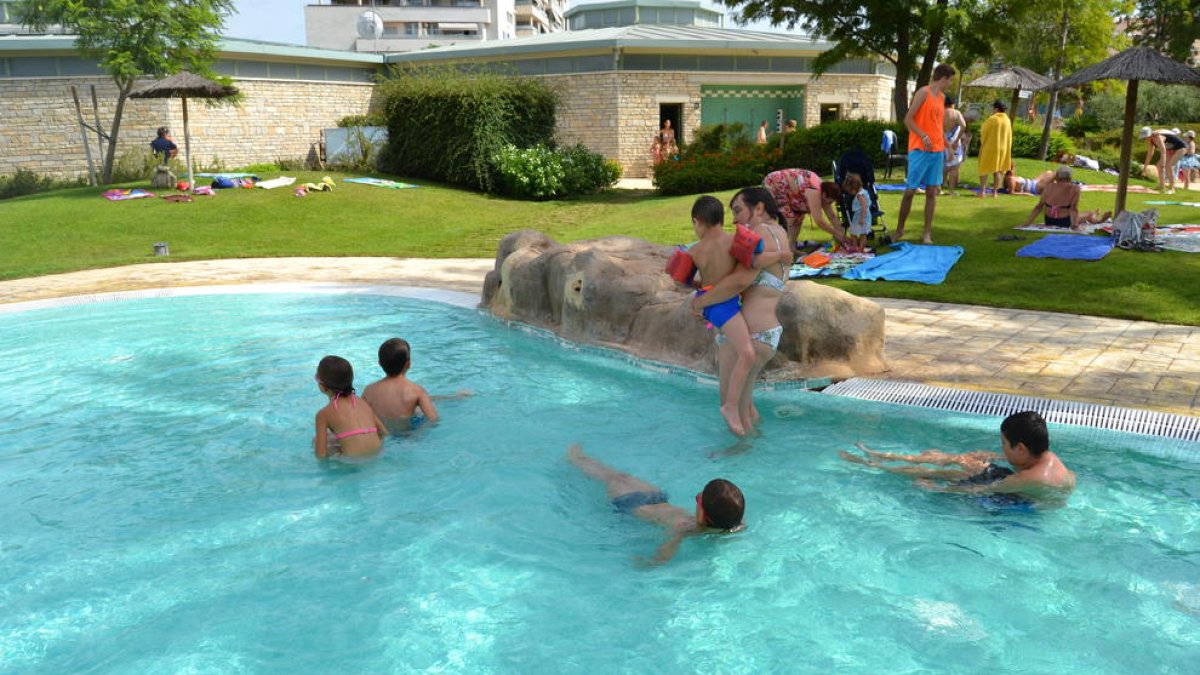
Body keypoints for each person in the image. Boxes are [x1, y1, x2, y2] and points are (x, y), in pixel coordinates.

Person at [691, 187, 790, 436]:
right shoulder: (779, 232)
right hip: (768, 331)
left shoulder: (758, 235)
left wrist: (700, 303)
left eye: (738, 211)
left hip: (752, 332)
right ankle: (754, 449)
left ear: (758, 208)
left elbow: (739, 282)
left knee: (731, 405)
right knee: (746, 407)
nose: (734, 220)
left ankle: (740, 458)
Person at [839, 410, 1076, 508]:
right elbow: (1014, 464)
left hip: (1023, 507)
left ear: (1022, 448)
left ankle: (873, 463)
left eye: (1003, 444)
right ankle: (878, 456)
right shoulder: (1046, 456)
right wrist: (992, 456)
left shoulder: (1030, 478)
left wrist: (937, 490)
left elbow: (977, 491)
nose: (1001, 449)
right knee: (966, 462)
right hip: (1024, 492)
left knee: (948, 475)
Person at [567, 444, 745, 565]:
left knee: (613, 478)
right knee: (623, 476)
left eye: (698, 498)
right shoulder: (730, 523)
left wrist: (651, 564)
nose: (696, 499)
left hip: (632, 504)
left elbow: (669, 548)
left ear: (703, 514)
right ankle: (580, 458)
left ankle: (575, 458)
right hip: (658, 498)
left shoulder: (686, 527)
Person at [683, 196, 759, 436]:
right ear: (722, 219)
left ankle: (741, 406)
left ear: (697, 221)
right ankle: (730, 406)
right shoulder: (732, 241)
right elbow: (747, 267)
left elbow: (679, 280)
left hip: (714, 307)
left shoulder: (694, 251)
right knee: (747, 354)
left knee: (737, 351)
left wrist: (700, 290)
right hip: (724, 306)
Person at [895, 63, 955, 244]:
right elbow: (908, 119)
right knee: (910, 191)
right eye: (950, 80)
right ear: (944, 78)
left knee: (932, 192)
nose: (950, 83)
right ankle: (899, 230)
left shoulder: (942, 97)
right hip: (919, 149)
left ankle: (926, 233)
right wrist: (923, 135)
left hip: (936, 151)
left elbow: (938, 126)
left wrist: (948, 146)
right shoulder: (923, 93)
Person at [362, 337, 444, 433]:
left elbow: (360, 416)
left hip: (380, 434)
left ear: (380, 363)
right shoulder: (416, 391)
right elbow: (433, 420)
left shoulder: (369, 390)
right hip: (406, 436)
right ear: (408, 364)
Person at [313, 355, 387, 459]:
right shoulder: (362, 402)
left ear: (323, 386)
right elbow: (384, 433)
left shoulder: (323, 414)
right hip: (378, 453)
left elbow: (321, 455)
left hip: (351, 461)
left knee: (316, 440)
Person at [762, 168, 846, 250]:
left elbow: (832, 216)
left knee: (798, 219)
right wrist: (836, 233)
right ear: (824, 195)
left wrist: (841, 232)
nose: (829, 204)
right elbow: (819, 221)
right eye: (829, 202)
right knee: (791, 219)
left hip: (792, 188)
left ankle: (792, 248)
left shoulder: (826, 191)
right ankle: (785, 249)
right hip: (775, 183)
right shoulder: (814, 192)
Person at [1021, 165, 1110, 230]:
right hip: (1064, 221)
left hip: (1049, 220)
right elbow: (1073, 209)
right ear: (1070, 177)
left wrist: (1027, 223)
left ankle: (1095, 215)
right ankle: (1099, 220)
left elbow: (1039, 207)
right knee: (1089, 214)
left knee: (1083, 214)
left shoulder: (1049, 186)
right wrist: (1074, 225)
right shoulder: (1074, 188)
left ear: (1057, 176)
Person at [978, 100, 1013, 199]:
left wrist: (982, 142)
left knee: (984, 169)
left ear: (996, 109)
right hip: (1003, 148)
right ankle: (995, 193)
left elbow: (983, 131)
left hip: (990, 147)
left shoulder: (992, 119)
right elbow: (1009, 135)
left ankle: (982, 192)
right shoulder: (1007, 120)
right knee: (998, 170)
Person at [1140, 126, 1188, 194]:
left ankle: (1172, 188)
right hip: (1171, 149)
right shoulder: (1151, 140)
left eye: (1146, 137)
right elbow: (1150, 154)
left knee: (1169, 166)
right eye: (1144, 138)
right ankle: (1162, 186)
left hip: (1181, 148)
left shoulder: (1157, 137)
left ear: (1149, 134)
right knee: (1158, 166)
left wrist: (1163, 164)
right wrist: (1145, 167)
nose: (1145, 139)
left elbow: (1163, 151)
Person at [941, 95, 966, 196]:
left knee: (942, 165)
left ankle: (940, 187)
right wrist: (957, 139)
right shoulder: (956, 113)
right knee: (954, 167)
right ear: (953, 104)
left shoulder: (941, 113)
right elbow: (963, 125)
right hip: (954, 142)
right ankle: (951, 191)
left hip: (942, 141)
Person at [843, 172, 872, 253]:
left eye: (849, 190)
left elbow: (864, 207)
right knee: (854, 232)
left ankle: (859, 249)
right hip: (859, 215)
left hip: (862, 216)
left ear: (853, 188)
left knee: (862, 234)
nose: (849, 193)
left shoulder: (860, 195)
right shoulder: (863, 191)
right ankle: (856, 248)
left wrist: (862, 218)